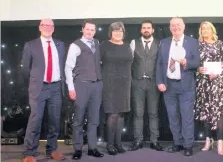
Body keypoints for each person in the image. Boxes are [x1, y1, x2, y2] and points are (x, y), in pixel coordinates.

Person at [22, 19, 65, 162]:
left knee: (54, 120)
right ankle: (29, 152)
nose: (47, 27)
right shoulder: (30, 45)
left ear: (53, 28)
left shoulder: (60, 44)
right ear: (40, 27)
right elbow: (25, 69)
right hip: (39, 87)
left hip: (56, 87)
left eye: (50, 25)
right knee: (35, 120)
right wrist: (35, 82)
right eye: (44, 25)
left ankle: (52, 150)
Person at [155, 17, 200, 156]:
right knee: (173, 117)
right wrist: (160, 81)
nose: (175, 28)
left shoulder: (192, 42)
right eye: (173, 25)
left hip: (186, 86)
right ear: (170, 28)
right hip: (169, 86)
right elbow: (160, 64)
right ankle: (178, 143)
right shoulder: (164, 42)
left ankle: (188, 145)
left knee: (186, 117)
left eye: (178, 25)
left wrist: (187, 62)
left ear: (184, 26)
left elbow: (197, 62)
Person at [65, 20, 104, 160]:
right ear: (83, 29)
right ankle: (77, 149)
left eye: (92, 30)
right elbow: (68, 68)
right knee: (79, 119)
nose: (90, 32)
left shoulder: (98, 44)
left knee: (94, 119)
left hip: (97, 85)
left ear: (95, 31)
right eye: (87, 29)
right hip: (81, 85)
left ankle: (93, 148)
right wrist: (71, 88)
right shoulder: (75, 45)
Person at [194, 21, 223, 155]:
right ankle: (208, 140)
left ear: (212, 30)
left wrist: (218, 72)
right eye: (203, 29)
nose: (205, 31)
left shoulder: (219, 44)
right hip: (203, 83)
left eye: (207, 28)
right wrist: (198, 68)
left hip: (216, 83)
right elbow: (194, 62)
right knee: (205, 112)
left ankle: (220, 141)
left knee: (218, 112)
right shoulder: (197, 45)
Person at [129, 20, 163, 151]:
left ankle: (155, 141)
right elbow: (129, 62)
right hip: (137, 82)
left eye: (148, 28)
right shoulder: (134, 43)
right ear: (141, 30)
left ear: (153, 30)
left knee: (153, 113)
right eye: (144, 28)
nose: (146, 30)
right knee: (138, 113)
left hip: (154, 82)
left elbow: (162, 63)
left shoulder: (160, 44)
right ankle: (138, 141)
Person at [100, 22, 133, 155]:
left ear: (123, 33)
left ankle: (119, 144)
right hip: (110, 83)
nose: (118, 33)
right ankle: (110, 144)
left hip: (124, 84)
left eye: (120, 31)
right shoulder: (104, 45)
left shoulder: (127, 46)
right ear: (110, 32)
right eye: (115, 31)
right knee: (112, 114)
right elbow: (96, 64)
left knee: (121, 114)